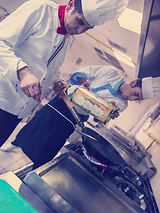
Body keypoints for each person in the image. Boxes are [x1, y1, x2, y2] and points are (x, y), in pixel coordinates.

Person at [0, 0, 129, 147]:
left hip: (19, 111)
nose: (80, 30)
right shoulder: (41, 10)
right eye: (79, 21)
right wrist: (23, 72)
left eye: (87, 28)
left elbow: (49, 67)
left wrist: (57, 80)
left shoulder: (69, 37)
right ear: (70, 4)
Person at [2, 65, 160, 169]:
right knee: (37, 125)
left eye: (136, 99)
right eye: (135, 94)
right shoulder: (111, 73)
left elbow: (99, 117)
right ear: (132, 83)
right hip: (63, 101)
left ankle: (37, 168)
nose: (132, 99)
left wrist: (107, 114)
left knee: (54, 142)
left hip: (76, 116)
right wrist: (84, 83)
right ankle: (16, 143)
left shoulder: (122, 105)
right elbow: (85, 72)